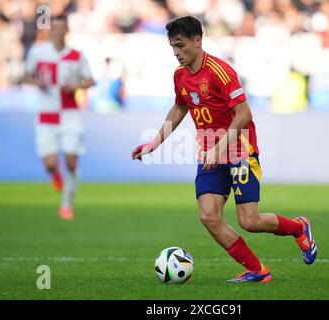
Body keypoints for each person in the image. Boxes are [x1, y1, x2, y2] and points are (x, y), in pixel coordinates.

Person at [132, 16, 317, 282]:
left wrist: (218, 149)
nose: (176, 52)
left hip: (238, 151)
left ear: (198, 41)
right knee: (209, 217)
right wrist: (154, 142)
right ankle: (258, 270)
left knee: (249, 221)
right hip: (209, 154)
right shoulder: (180, 76)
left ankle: (299, 228)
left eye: (180, 45)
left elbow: (244, 114)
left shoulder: (221, 71)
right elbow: (181, 106)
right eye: (173, 46)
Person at [24, 14, 94, 220]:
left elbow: (90, 80)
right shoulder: (38, 52)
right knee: (49, 163)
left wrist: (76, 86)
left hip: (71, 113)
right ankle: (55, 174)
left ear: (67, 30)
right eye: (55, 27)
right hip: (46, 114)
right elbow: (26, 74)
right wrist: (37, 82)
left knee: (72, 161)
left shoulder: (76, 55)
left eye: (62, 27)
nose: (58, 31)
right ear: (50, 29)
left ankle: (66, 205)